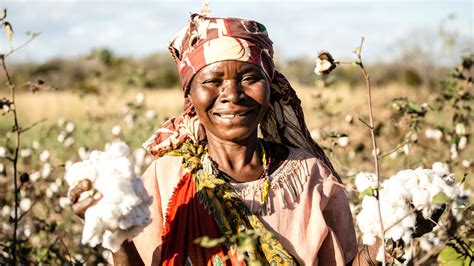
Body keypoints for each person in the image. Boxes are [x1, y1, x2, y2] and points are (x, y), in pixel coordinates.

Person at [70, 12, 383, 265]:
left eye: (249, 78)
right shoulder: (164, 179)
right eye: (212, 80)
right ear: (190, 95)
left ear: (270, 87)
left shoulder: (312, 177)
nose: (232, 95)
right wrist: (109, 222)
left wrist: (386, 245)